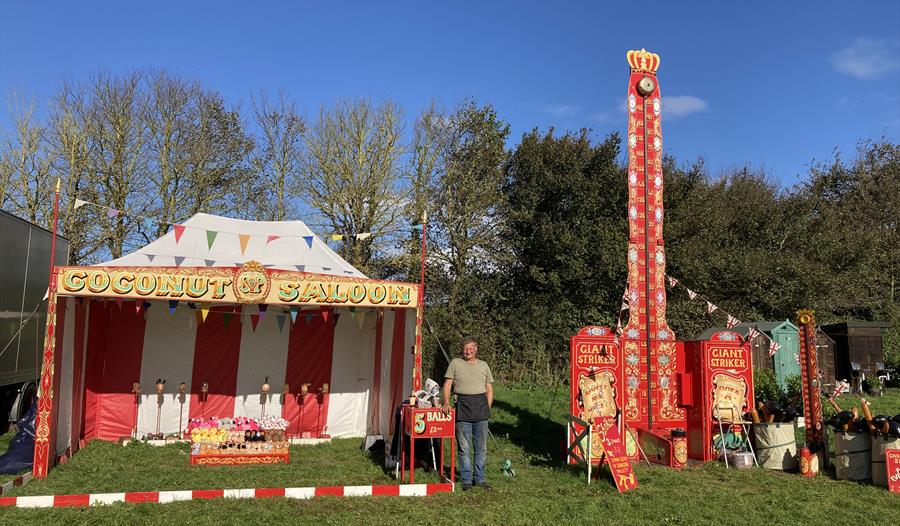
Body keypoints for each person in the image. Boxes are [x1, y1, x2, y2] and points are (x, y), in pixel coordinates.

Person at [442, 336, 494, 491]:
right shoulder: (455, 363)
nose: (468, 351)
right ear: (462, 349)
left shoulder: (484, 365)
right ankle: (466, 480)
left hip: (481, 409)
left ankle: (479, 478)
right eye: (465, 348)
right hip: (463, 409)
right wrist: (446, 402)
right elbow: (447, 384)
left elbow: (489, 389)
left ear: (476, 349)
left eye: (471, 348)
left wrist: (487, 408)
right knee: (464, 447)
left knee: (481, 447)